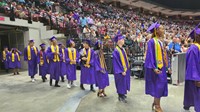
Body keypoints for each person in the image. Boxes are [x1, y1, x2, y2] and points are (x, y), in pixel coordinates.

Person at [145, 22, 168, 112]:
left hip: (161, 67)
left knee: (161, 86)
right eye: (161, 28)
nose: (163, 30)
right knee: (158, 86)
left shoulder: (160, 41)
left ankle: (155, 103)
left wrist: (167, 66)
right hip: (156, 68)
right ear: (156, 31)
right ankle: (157, 106)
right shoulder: (152, 42)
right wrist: (154, 67)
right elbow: (149, 55)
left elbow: (164, 55)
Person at [183, 24, 200, 112]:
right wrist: (196, 79)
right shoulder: (193, 48)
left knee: (191, 93)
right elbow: (192, 65)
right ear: (197, 37)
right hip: (196, 76)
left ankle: (187, 105)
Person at [112, 31, 130, 103]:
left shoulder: (123, 49)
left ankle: (123, 94)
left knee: (123, 82)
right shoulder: (116, 51)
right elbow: (117, 62)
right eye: (122, 39)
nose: (123, 41)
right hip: (119, 71)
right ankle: (120, 96)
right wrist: (122, 70)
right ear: (119, 41)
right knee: (120, 83)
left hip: (124, 69)